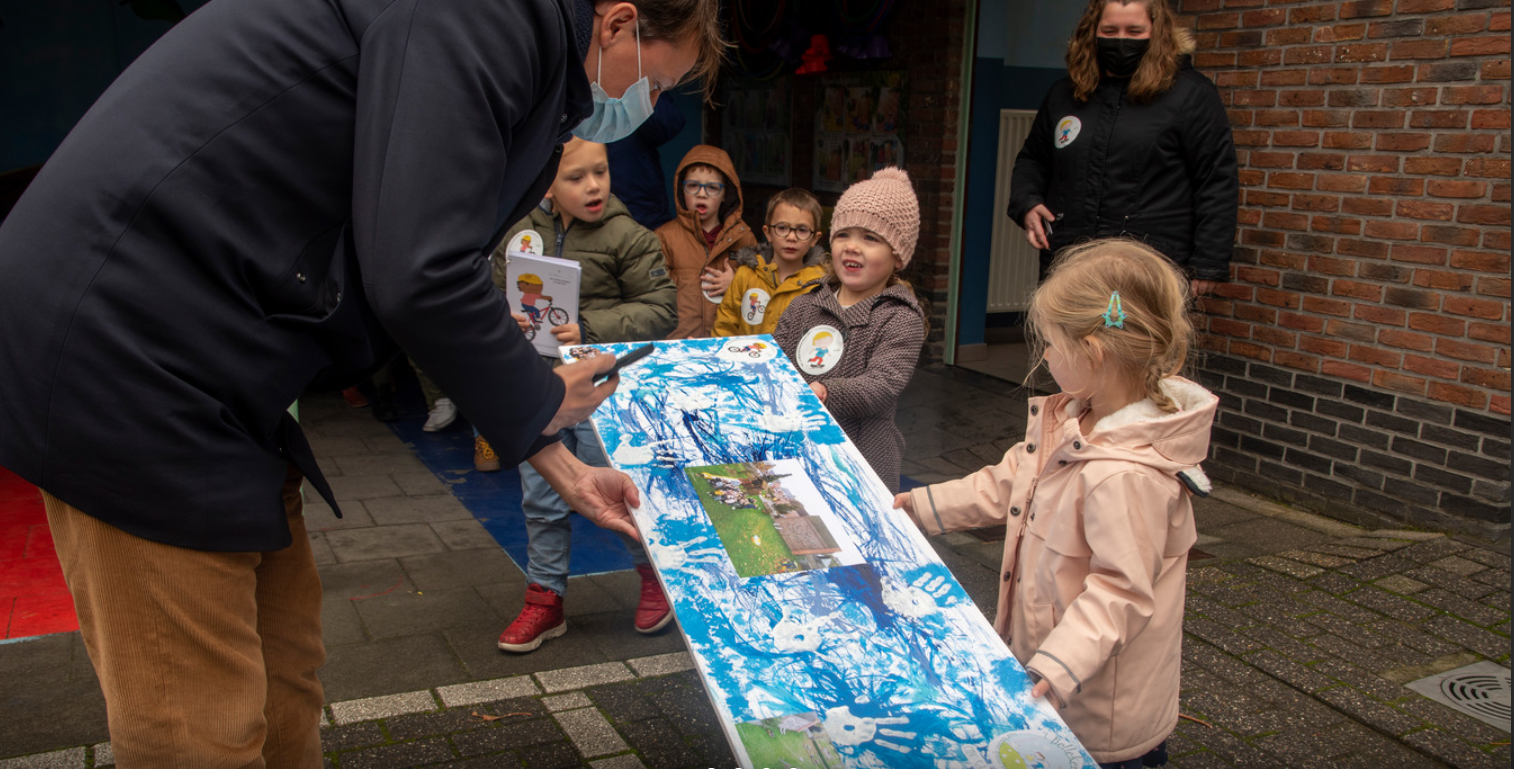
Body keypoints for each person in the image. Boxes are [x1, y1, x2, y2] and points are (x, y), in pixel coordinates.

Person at [0, 1, 724, 765]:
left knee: (288, 678)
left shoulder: (519, 47)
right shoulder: (478, 16)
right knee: (196, 726)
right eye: (657, 84)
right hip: (131, 357)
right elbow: (421, 271)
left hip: (225, 367)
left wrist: (564, 462)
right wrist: (542, 400)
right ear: (616, 24)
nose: (646, 109)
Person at [894, 238, 1218, 769]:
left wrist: (1060, 664)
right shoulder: (1073, 420)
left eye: (1050, 342)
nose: (1043, 355)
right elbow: (1008, 481)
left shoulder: (1124, 476)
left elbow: (1120, 591)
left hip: (1098, 714)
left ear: (1091, 353)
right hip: (1053, 678)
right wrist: (924, 507)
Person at [491, 137, 677, 651]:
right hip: (536, 391)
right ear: (546, 179)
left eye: (601, 171)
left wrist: (589, 326)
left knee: (620, 495)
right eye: (576, 177)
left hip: (603, 396)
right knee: (542, 499)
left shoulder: (628, 237)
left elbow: (662, 309)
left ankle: (653, 579)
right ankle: (544, 600)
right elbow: (486, 294)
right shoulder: (518, 234)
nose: (593, 185)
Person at [1007, 0, 1238, 296]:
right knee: (1061, 343)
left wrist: (1208, 261)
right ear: (1092, 32)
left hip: (1148, 268)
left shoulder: (1192, 95)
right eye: (1110, 30)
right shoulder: (1066, 94)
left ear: (1157, 33)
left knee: (1136, 344)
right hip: (1069, 262)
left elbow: (1216, 181)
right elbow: (1033, 159)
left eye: (1134, 31)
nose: (1121, 40)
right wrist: (1027, 202)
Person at [773, 168, 925, 494]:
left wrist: (826, 391)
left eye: (870, 238)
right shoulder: (803, 306)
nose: (852, 247)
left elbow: (881, 385)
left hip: (863, 460)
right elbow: (775, 363)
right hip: (798, 452)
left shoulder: (900, 318)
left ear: (897, 256)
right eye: (844, 235)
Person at [656, 145, 758, 338]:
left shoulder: (743, 237)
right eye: (693, 186)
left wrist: (737, 282)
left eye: (712, 188)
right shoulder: (664, 237)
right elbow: (652, 296)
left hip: (727, 342)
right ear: (681, 189)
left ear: (725, 194)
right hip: (679, 342)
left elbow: (761, 289)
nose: (701, 194)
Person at [713, 187, 828, 338]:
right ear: (767, 233)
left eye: (802, 230)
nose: (791, 237)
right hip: (747, 360)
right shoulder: (746, 275)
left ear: (814, 238)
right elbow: (725, 326)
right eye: (782, 228)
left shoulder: (819, 284)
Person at [606, 92, 687, 230]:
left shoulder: (634, 77)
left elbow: (668, 124)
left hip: (642, 212)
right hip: (582, 210)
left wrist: (629, 88)